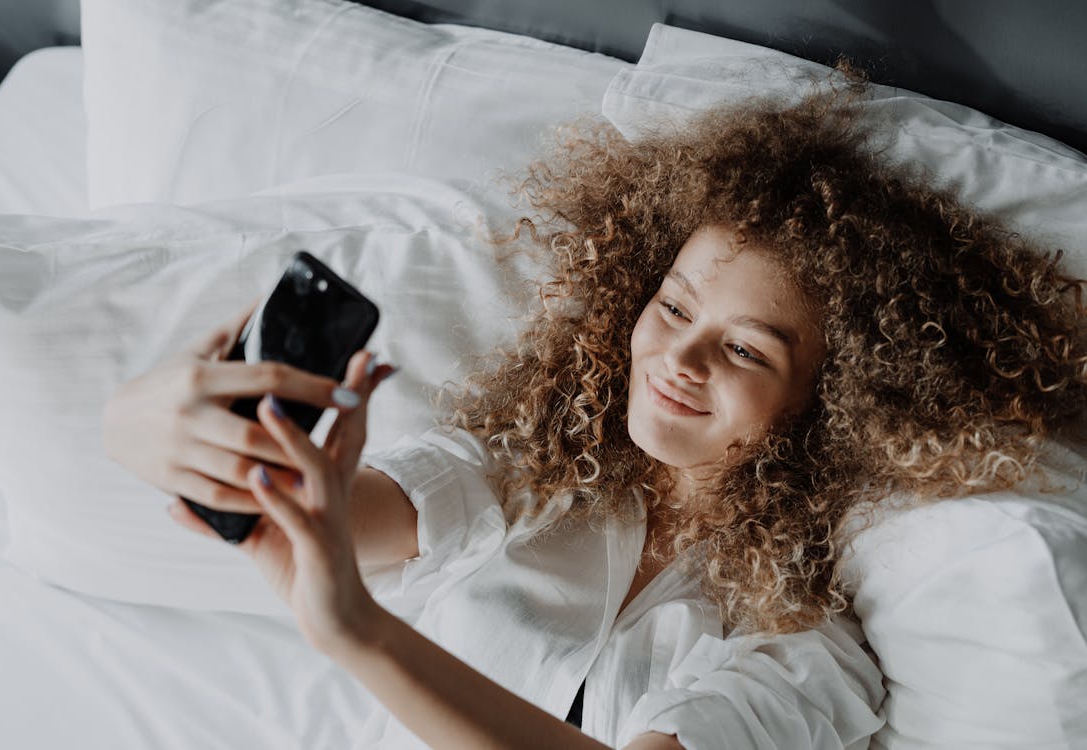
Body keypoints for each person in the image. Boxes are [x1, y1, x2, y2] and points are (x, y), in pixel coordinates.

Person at [103, 79, 1086, 749]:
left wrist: (356, 629)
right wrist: (147, 430)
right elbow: (349, 510)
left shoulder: (804, 648)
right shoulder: (523, 476)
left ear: (828, 403)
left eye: (748, 350)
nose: (681, 359)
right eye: (673, 309)